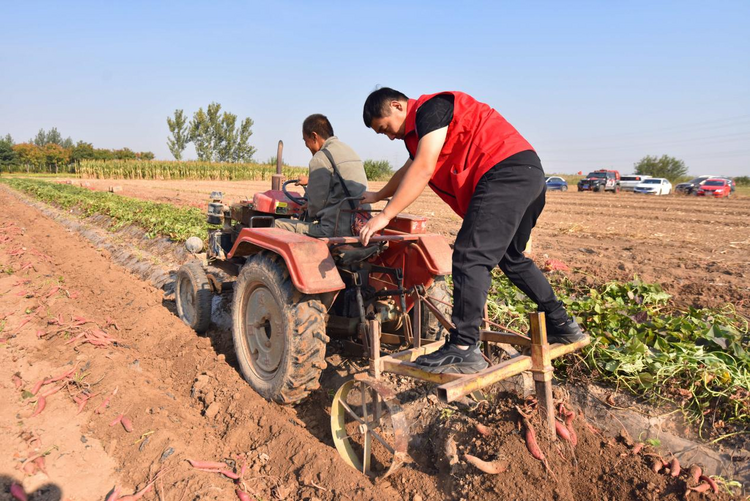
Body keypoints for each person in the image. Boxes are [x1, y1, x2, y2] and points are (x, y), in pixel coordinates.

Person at [359, 88, 586, 374]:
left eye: (385, 128)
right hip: (527, 173)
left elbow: (424, 167)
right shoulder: (420, 134)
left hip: (503, 172)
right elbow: (408, 169)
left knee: (468, 257)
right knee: (512, 258)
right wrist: (379, 194)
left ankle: (463, 347)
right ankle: (562, 323)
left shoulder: (431, 109)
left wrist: (385, 215)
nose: (390, 136)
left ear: (397, 106)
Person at [275, 114, 369, 237]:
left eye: (305, 140)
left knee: (276, 224)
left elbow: (315, 208)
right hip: (360, 224)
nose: (306, 145)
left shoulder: (320, 158)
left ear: (314, 136)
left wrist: (309, 207)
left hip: (334, 230)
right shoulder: (349, 150)